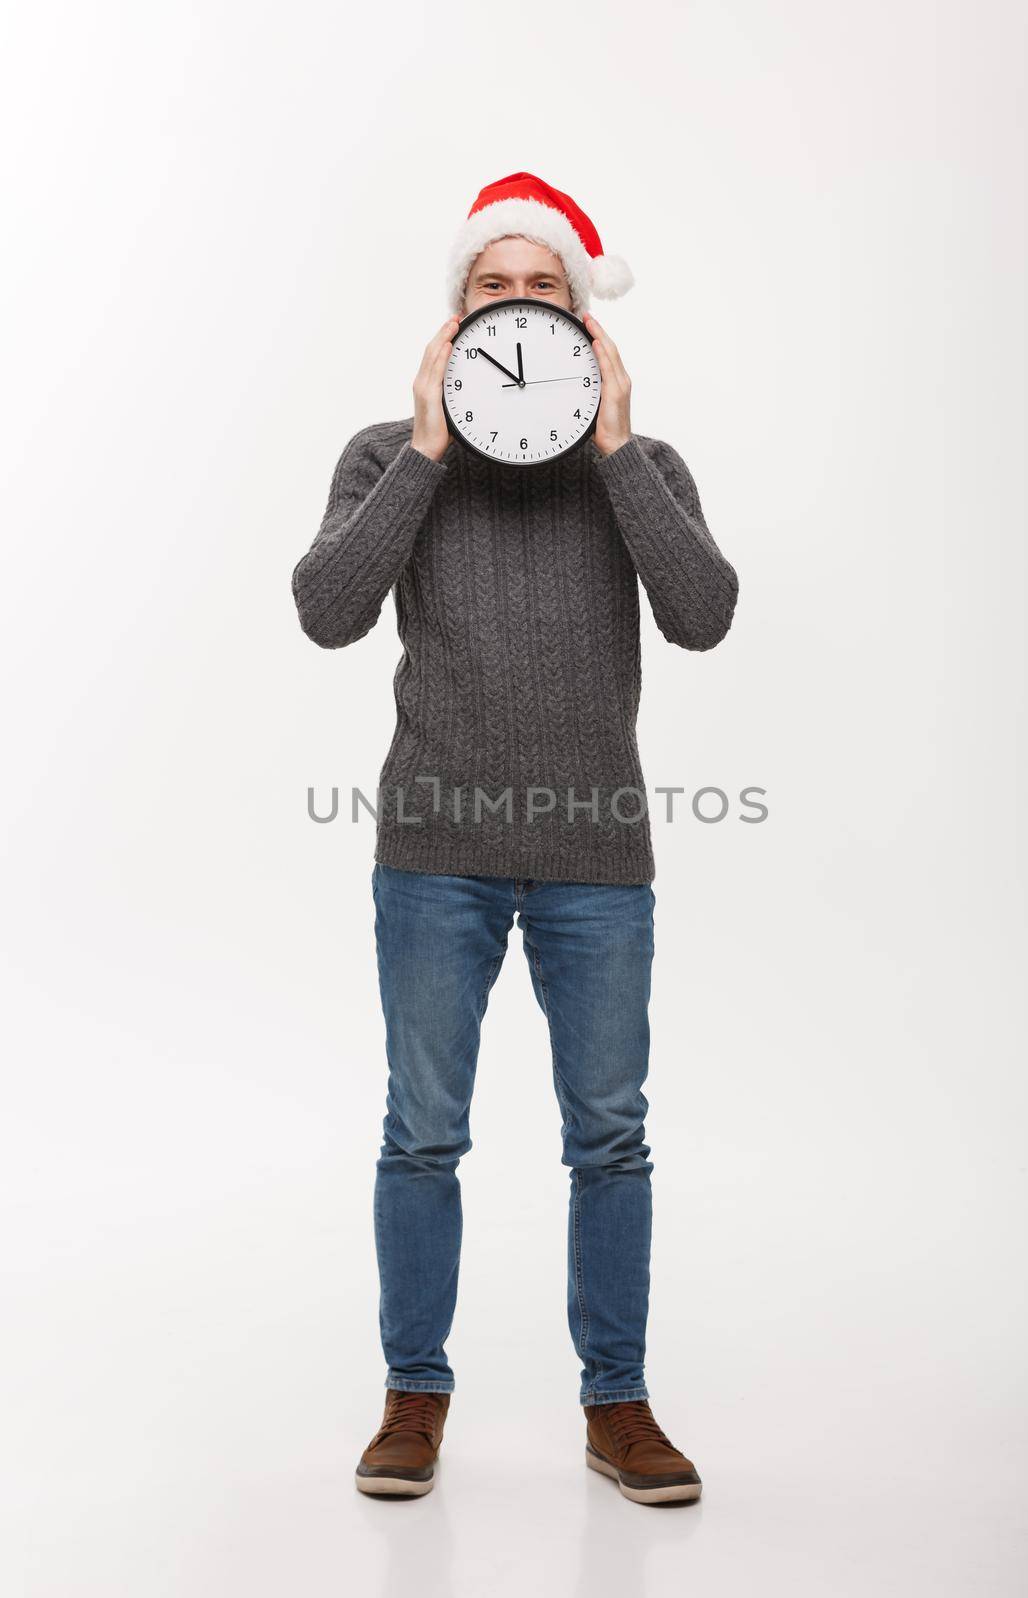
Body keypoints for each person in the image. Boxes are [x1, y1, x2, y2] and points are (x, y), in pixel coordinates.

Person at [291, 172, 739, 1505]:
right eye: (497, 286)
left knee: (609, 1138)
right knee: (423, 1132)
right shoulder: (389, 455)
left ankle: (619, 1409)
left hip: (601, 856)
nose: (523, 305)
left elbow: (705, 613)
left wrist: (614, 448)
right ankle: (412, 1400)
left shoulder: (642, 470)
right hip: (434, 852)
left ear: (587, 323)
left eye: (549, 288)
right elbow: (326, 608)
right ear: (453, 319)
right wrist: (431, 447)